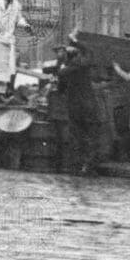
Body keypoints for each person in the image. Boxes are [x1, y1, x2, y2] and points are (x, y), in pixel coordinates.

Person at [54, 32, 99, 175]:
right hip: (89, 106)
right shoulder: (83, 64)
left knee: (76, 137)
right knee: (91, 136)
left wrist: (60, 64)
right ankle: (89, 166)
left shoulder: (64, 70)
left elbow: (60, 89)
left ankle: (77, 166)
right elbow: (90, 52)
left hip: (74, 107)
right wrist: (75, 41)